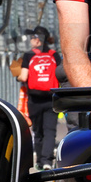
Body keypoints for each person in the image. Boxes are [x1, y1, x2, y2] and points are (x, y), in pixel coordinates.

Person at [19, 26, 61, 167]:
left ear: (37, 40)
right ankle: (47, 161)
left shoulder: (29, 55)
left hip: (34, 99)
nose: (31, 41)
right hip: (51, 98)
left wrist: (17, 76)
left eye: (32, 38)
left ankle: (38, 161)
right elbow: (60, 75)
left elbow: (23, 76)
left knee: (37, 131)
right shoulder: (54, 55)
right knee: (50, 131)